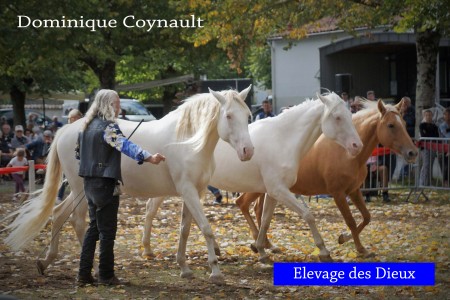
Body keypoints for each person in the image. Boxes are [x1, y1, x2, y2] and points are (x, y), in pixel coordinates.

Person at [76, 89, 165, 286]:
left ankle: (83, 275)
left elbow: (77, 154)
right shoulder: (108, 128)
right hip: (105, 184)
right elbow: (125, 145)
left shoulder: (85, 127)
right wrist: (150, 157)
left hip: (89, 183)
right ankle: (106, 276)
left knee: (94, 228)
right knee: (107, 232)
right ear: (108, 105)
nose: (119, 107)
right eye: (116, 103)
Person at [56, 109, 83, 203]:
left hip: (79, 157)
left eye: (76, 118)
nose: (74, 120)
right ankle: (59, 196)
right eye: (72, 118)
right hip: (69, 158)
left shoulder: (82, 129)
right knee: (64, 178)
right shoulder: (66, 131)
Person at [419, 109, 440, 187]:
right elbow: (423, 136)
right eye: (426, 115)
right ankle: (422, 183)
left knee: (430, 165)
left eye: (430, 115)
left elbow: (436, 136)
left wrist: (429, 135)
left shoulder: (435, 126)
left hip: (433, 147)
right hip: (425, 148)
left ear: (432, 116)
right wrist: (430, 136)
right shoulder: (422, 125)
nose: (428, 117)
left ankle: (428, 183)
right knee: (426, 164)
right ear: (424, 116)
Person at [438, 107, 450, 186]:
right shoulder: (442, 125)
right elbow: (447, 135)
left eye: (446, 114)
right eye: (444, 114)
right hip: (444, 148)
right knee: (445, 165)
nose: (445, 116)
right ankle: (445, 182)